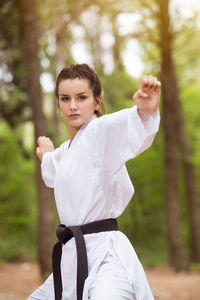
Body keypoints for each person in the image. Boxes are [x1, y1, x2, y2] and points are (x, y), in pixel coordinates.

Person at [28, 63, 161, 300]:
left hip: (105, 256)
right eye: (65, 98)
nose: (73, 105)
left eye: (81, 97)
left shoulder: (100, 132)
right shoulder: (64, 151)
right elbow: (54, 174)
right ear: (58, 103)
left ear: (97, 101)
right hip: (74, 256)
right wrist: (46, 155)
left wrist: (146, 111)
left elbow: (129, 126)